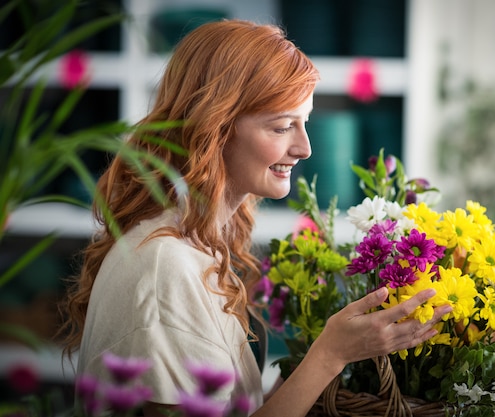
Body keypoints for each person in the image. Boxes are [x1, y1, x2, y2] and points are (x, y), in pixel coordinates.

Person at [60, 19, 452, 417]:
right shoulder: (167, 268)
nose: (305, 147)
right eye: (283, 126)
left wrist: (312, 365)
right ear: (214, 128)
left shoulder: (200, 243)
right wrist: (329, 355)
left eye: (305, 123)